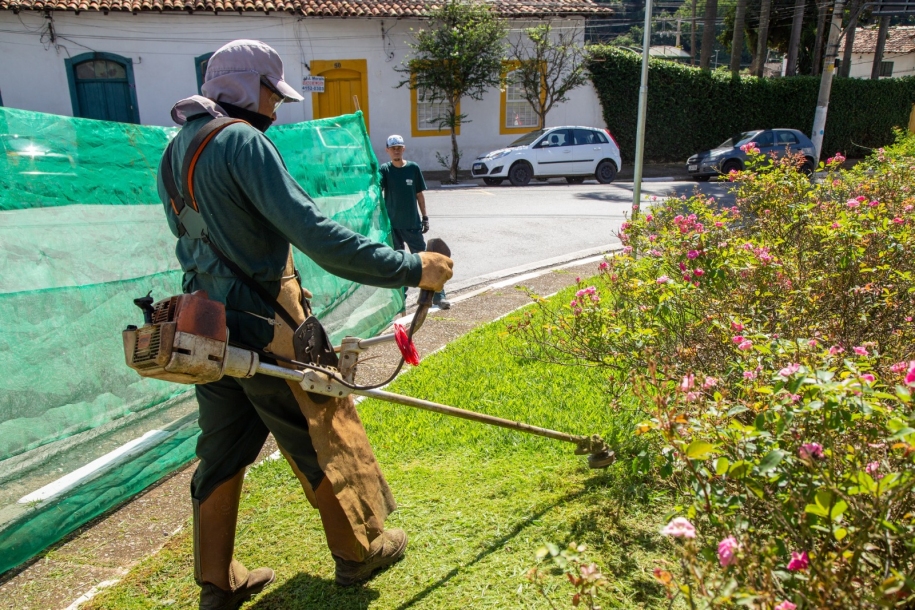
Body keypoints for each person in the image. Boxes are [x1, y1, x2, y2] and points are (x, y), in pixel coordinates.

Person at [157, 40, 452, 610]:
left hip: (205, 326)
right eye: (273, 91)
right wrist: (414, 267)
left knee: (221, 451)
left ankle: (217, 582)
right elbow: (317, 236)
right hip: (264, 324)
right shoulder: (243, 141)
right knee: (318, 432)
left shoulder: (177, 148)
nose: (277, 104)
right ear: (250, 88)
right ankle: (358, 552)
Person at [379, 135, 451, 309]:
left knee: (426, 260)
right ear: (387, 150)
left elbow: (419, 194)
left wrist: (425, 217)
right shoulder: (385, 170)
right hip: (392, 227)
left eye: (399, 147)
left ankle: (438, 296)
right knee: (398, 262)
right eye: (393, 148)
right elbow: (376, 187)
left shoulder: (413, 168)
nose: (396, 150)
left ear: (403, 149)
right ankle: (398, 299)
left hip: (412, 224)